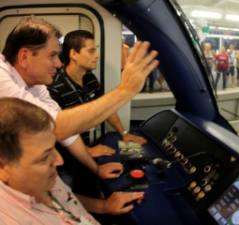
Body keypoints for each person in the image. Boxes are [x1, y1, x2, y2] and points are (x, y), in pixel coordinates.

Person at [0, 16, 158, 213]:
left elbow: (63, 130)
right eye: (52, 56)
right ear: (24, 57)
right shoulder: (1, 77)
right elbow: (57, 126)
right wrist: (125, 90)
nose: (58, 64)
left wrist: (96, 169)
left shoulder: (36, 83)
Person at [0, 97, 144, 224]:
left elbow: (65, 197)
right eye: (44, 157)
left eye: (53, 148)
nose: (59, 161)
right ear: (2, 167)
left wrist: (103, 206)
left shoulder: (39, 177)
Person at [48, 30, 146, 196]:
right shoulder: (54, 87)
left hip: (94, 150)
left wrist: (124, 133)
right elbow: (57, 131)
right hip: (70, 160)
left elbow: (105, 109)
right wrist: (86, 150)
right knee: (75, 198)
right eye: (91, 51)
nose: (97, 56)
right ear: (73, 54)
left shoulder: (90, 78)